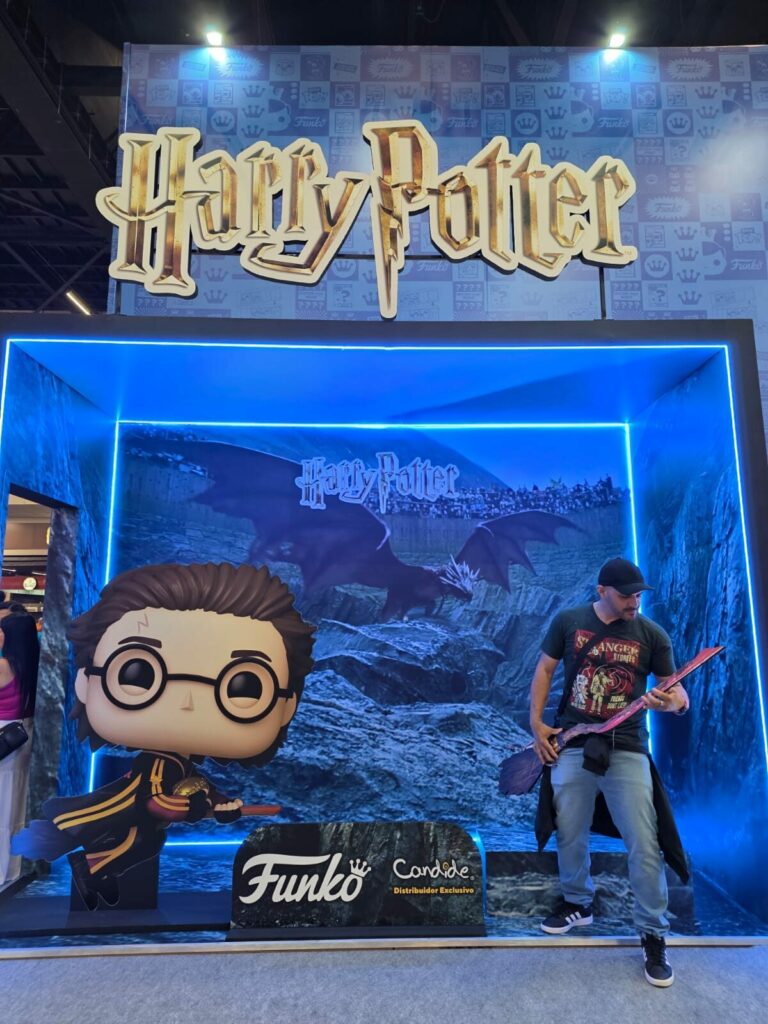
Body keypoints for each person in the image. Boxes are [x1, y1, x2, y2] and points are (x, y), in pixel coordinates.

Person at [13, 561, 315, 910]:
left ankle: (91, 867)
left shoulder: (178, 764)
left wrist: (219, 802)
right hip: (123, 805)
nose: (187, 702)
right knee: (138, 839)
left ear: (287, 705)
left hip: (130, 812)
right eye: (137, 674)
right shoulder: (160, 764)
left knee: (143, 842)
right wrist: (196, 806)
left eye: (244, 686)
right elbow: (158, 801)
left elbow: (193, 785)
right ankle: (90, 867)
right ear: (85, 681)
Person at [529, 557, 689, 988]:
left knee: (644, 840)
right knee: (569, 828)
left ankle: (653, 933)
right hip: (574, 742)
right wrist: (537, 724)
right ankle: (578, 903)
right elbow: (544, 668)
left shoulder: (651, 634)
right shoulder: (569, 621)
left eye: (638, 595)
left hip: (627, 746)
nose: (634, 602)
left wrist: (669, 703)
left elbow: (678, 693)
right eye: (626, 595)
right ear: (602, 591)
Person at [0, 613, 40, 887]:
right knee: (15, 807)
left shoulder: (3, 665)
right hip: (24, 736)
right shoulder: (36, 665)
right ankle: (11, 868)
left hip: (3, 735)